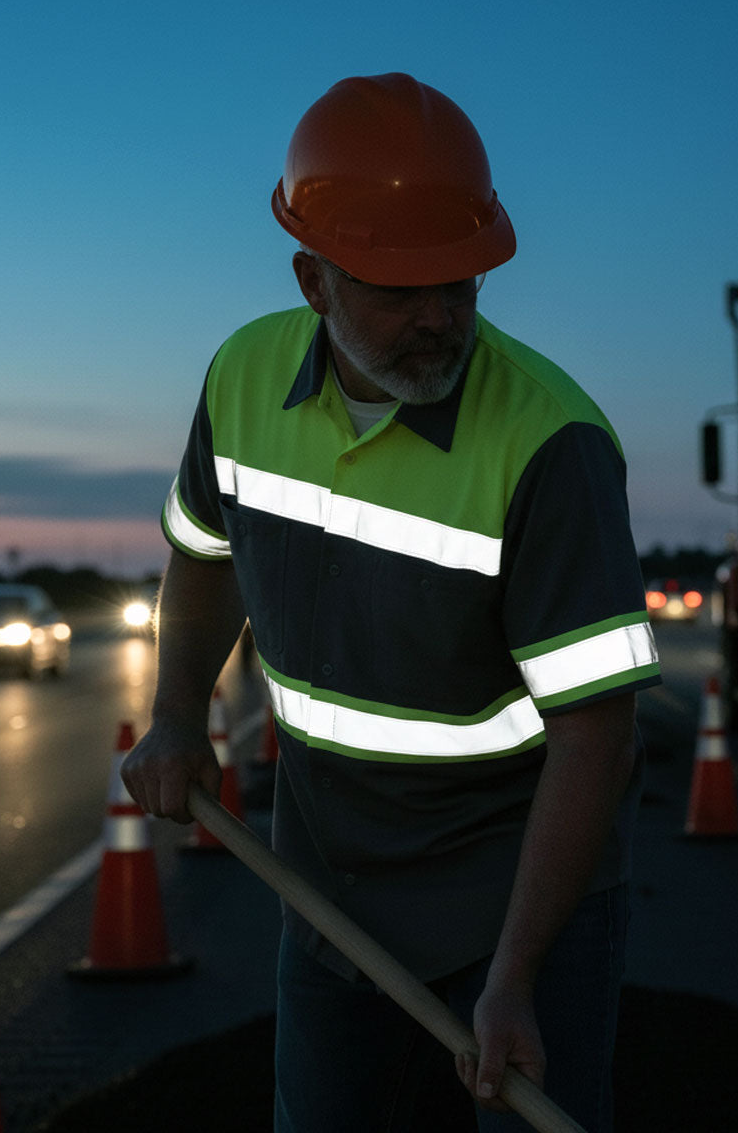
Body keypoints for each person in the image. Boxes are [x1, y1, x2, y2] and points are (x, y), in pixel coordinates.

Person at [121, 72, 661, 1132]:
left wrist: (512, 979)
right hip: (331, 893)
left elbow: (595, 736)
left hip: (520, 906)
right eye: (398, 290)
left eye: (460, 284)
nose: (441, 320)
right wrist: (180, 715)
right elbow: (204, 553)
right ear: (312, 280)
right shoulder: (241, 379)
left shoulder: (551, 445)